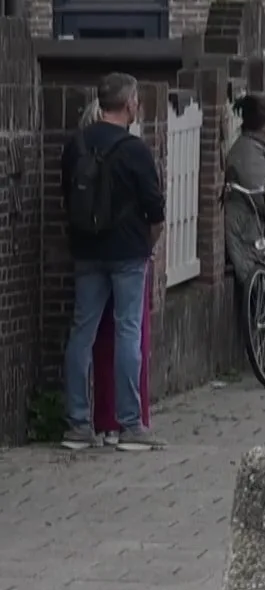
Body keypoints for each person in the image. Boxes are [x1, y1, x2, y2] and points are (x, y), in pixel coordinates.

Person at [61, 73, 166, 451]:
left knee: (81, 332)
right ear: (129, 104)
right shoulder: (134, 150)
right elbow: (155, 208)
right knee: (127, 332)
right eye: (137, 100)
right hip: (126, 253)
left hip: (86, 251)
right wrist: (147, 242)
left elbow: (66, 197)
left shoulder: (76, 145)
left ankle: (76, 423)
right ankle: (129, 425)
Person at [224, 93, 265, 330]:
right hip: (248, 230)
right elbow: (259, 195)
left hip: (260, 226)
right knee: (263, 283)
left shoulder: (261, 145)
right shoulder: (248, 152)